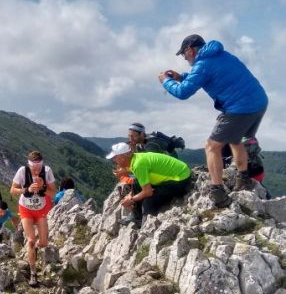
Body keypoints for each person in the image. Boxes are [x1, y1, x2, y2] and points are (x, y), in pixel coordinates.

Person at [159, 34, 268, 208]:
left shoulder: (203, 64)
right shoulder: (220, 55)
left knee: (212, 147)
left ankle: (217, 193)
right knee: (235, 139)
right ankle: (243, 179)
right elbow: (203, 75)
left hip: (240, 108)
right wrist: (182, 77)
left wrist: (166, 81)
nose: (185, 58)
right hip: (259, 102)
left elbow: (182, 93)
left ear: (190, 50)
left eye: (184, 54)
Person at [106, 142, 191, 228]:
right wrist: (126, 172)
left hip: (180, 179)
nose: (114, 161)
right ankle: (136, 217)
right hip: (180, 171)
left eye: (115, 158)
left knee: (148, 202)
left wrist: (131, 199)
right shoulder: (135, 158)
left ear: (123, 157)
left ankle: (146, 228)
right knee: (136, 182)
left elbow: (148, 192)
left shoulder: (138, 164)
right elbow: (142, 170)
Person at [10, 151, 56, 287]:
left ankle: (35, 248)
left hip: (41, 210)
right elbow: (12, 190)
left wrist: (43, 188)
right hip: (26, 209)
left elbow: (53, 193)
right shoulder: (22, 171)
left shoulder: (47, 171)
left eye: (39, 167)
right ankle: (33, 273)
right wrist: (26, 190)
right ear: (29, 165)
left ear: (42, 164)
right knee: (30, 240)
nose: (36, 170)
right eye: (33, 168)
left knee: (43, 243)